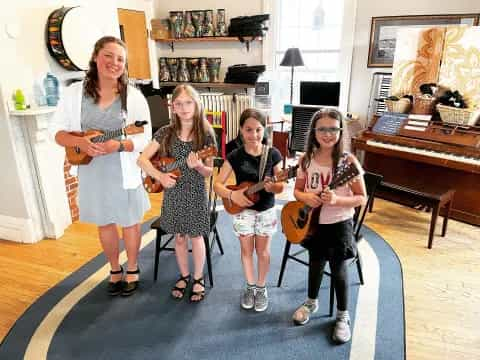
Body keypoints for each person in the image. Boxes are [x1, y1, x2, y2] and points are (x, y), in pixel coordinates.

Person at [50, 36, 152, 296]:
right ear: (96, 57)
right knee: (104, 222)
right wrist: (80, 143)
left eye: (120, 59)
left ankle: (132, 267)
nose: (114, 63)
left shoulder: (133, 97)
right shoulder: (74, 94)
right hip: (91, 169)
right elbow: (58, 133)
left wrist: (119, 145)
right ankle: (114, 268)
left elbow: (145, 137)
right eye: (108, 55)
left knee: (129, 221)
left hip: (123, 168)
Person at [290, 108, 366, 343]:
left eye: (333, 128)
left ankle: (343, 315)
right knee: (315, 263)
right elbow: (297, 190)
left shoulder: (348, 162)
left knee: (339, 270)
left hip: (339, 223)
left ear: (340, 131)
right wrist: (306, 198)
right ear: (314, 131)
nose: (328, 133)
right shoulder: (306, 159)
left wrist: (337, 200)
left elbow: (361, 197)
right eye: (322, 128)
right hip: (313, 224)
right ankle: (312, 302)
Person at [137, 84, 215, 303]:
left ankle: (198, 278)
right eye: (178, 103)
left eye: (188, 102)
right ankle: (184, 275)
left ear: (196, 104)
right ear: (173, 107)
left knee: (196, 236)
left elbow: (209, 171)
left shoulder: (205, 135)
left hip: (196, 192)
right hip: (172, 193)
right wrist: (159, 176)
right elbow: (141, 159)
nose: (183, 108)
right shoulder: (165, 132)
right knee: (179, 238)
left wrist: (198, 166)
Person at [214, 108, 284, 312]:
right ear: (241, 131)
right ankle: (250, 286)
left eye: (258, 130)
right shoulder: (235, 155)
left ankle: (261, 288)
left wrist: (273, 186)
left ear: (265, 130)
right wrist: (231, 195)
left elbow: (281, 185)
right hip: (242, 212)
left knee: (263, 252)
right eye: (249, 130)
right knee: (246, 251)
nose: (254, 135)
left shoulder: (273, 154)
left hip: (266, 212)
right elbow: (218, 184)